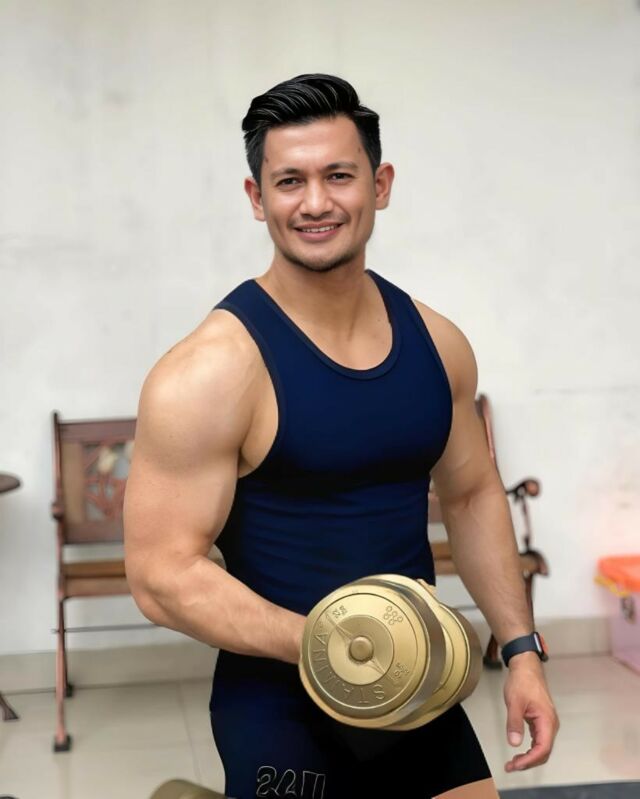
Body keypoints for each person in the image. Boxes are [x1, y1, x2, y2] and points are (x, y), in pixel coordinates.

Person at [123, 73, 559, 799]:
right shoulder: (208, 373)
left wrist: (521, 651)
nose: (316, 202)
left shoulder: (438, 344)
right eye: (289, 181)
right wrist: (339, 646)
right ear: (256, 198)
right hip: (280, 703)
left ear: (380, 185)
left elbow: (472, 493)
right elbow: (160, 576)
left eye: (339, 175)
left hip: (415, 693)